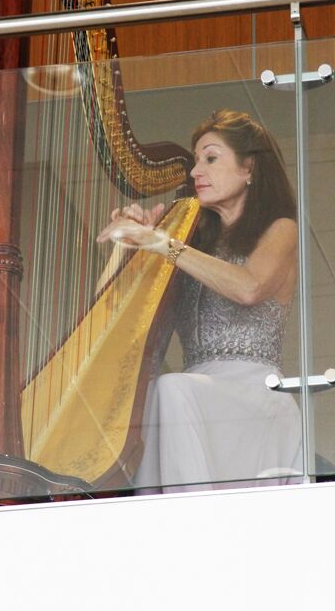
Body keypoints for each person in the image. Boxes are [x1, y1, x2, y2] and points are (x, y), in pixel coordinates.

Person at [97, 109, 302, 492]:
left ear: (249, 168)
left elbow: (249, 288)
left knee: (170, 389)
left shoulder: (280, 229)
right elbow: (106, 314)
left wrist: (161, 243)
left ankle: (191, 521)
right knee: (160, 393)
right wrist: (125, 248)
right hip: (194, 401)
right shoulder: (187, 242)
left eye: (210, 158)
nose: (194, 172)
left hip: (256, 399)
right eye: (195, 162)